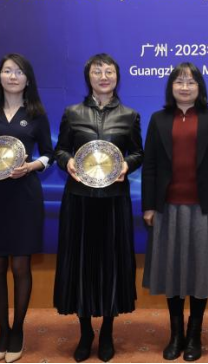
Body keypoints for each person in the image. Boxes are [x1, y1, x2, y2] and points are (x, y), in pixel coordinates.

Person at [53, 53, 144, 363]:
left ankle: (106, 331)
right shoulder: (72, 112)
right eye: (97, 72)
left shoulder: (130, 115)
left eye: (109, 72)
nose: (103, 77)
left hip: (114, 201)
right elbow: (60, 149)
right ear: (88, 77)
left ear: (117, 77)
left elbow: (138, 152)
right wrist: (67, 161)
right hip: (79, 200)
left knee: (111, 266)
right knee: (79, 265)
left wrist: (126, 166)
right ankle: (84, 332)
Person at [142, 62, 208, 361]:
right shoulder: (158, 119)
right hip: (167, 207)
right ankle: (176, 335)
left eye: (191, 82)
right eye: (179, 81)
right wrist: (149, 205)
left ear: (199, 87)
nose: (184, 87)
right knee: (171, 272)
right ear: (171, 87)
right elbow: (150, 165)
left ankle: (194, 336)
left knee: (200, 273)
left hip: (203, 208)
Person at [0, 53, 53, 364]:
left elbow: (49, 154)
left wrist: (31, 166)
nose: (13, 76)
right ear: (0, 77)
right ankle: (2, 332)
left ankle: (17, 330)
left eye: (19, 71)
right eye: (7, 71)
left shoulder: (36, 114)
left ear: (27, 79)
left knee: (20, 266)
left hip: (25, 197)